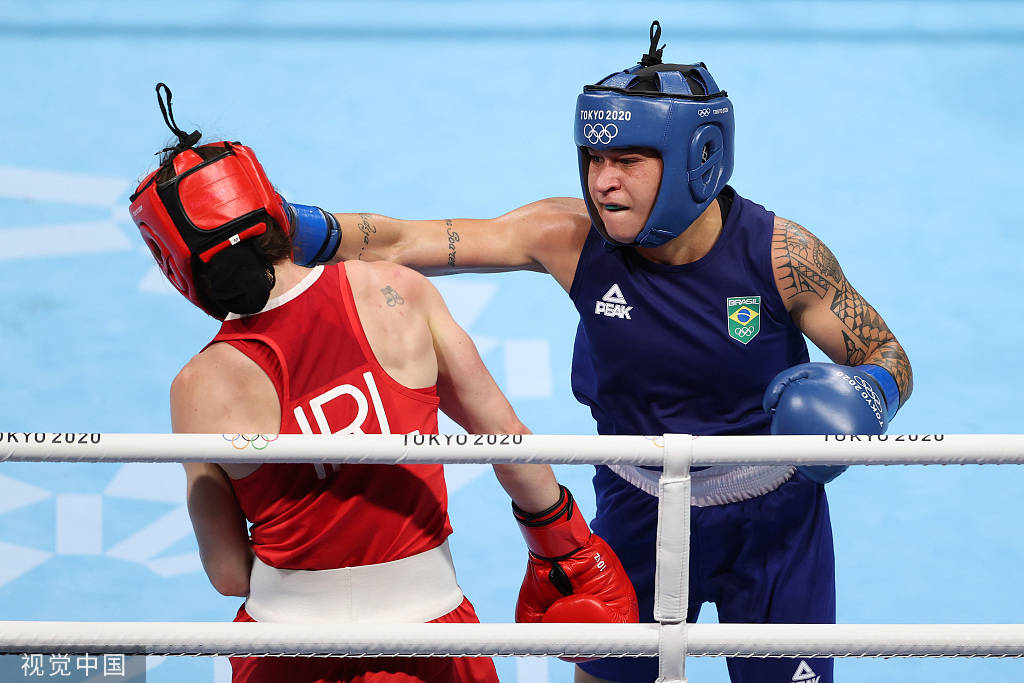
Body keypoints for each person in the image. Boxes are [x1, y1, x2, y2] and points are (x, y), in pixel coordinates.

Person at [288, 21, 914, 683]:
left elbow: (884, 351)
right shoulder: (569, 236)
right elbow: (403, 241)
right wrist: (287, 225)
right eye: (593, 158)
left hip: (775, 521)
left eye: (627, 161)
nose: (604, 181)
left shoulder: (783, 255)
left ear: (696, 157)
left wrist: (869, 394)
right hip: (637, 505)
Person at [128, 84, 637, 683]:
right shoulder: (393, 291)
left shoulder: (197, 385)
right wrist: (565, 549)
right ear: (272, 210)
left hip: (284, 649)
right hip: (430, 633)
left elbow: (227, 575)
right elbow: (503, 437)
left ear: (175, 262)